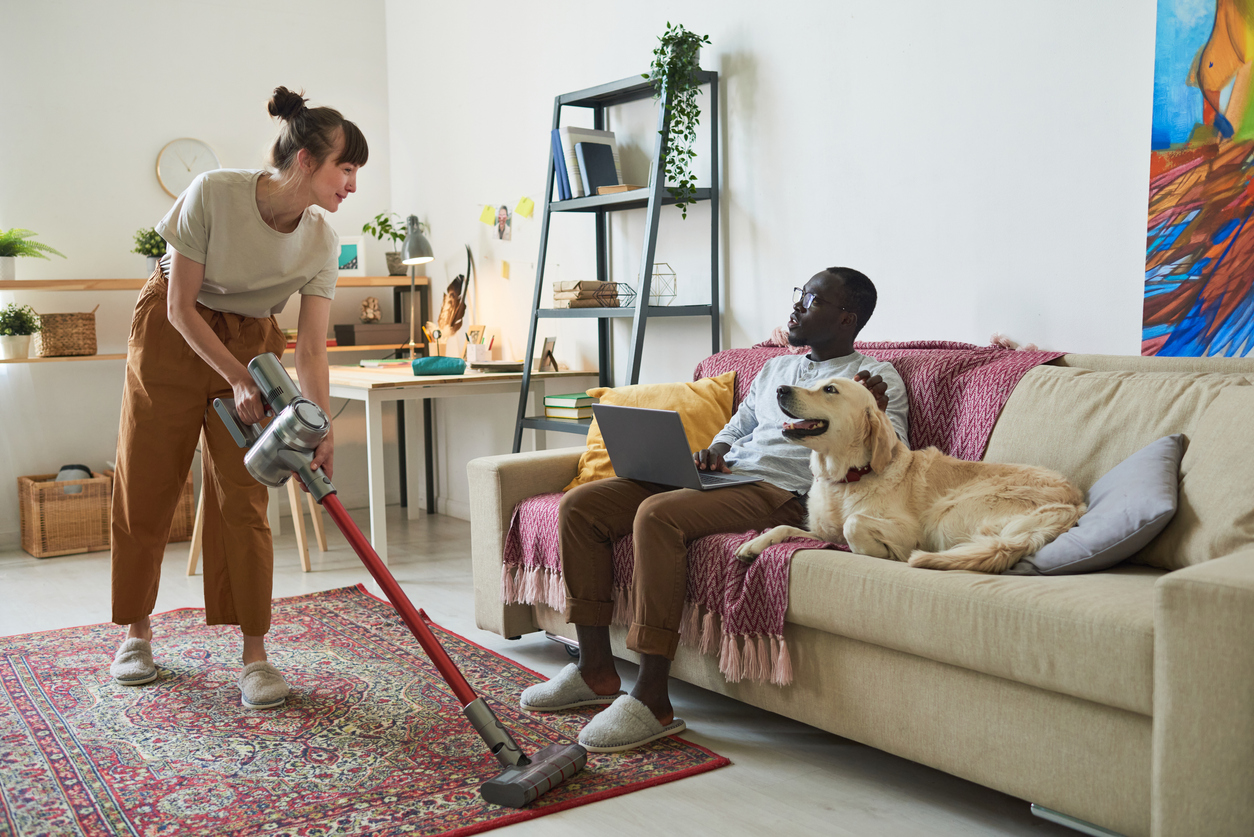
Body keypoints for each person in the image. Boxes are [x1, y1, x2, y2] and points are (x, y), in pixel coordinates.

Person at [519, 266, 909, 751]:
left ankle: (651, 698)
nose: (796, 306)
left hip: (780, 491)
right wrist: (717, 451)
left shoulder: (872, 378)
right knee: (581, 506)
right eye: (799, 294)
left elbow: (892, 457)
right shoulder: (776, 368)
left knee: (657, 515)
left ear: (847, 319)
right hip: (727, 475)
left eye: (810, 300)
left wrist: (874, 410)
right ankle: (594, 669)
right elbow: (740, 425)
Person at [108, 87, 367, 710]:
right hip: (175, 334)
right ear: (305, 160)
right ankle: (136, 636)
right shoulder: (214, 192)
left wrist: (321, 426)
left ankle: (255, 655)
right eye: (346, 168)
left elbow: (309, 348)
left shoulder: (322, 242)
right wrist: (240, 379)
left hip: (253, 340)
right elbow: (178, 304)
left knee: (245, 499)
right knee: (145, 484)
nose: (352, 185)